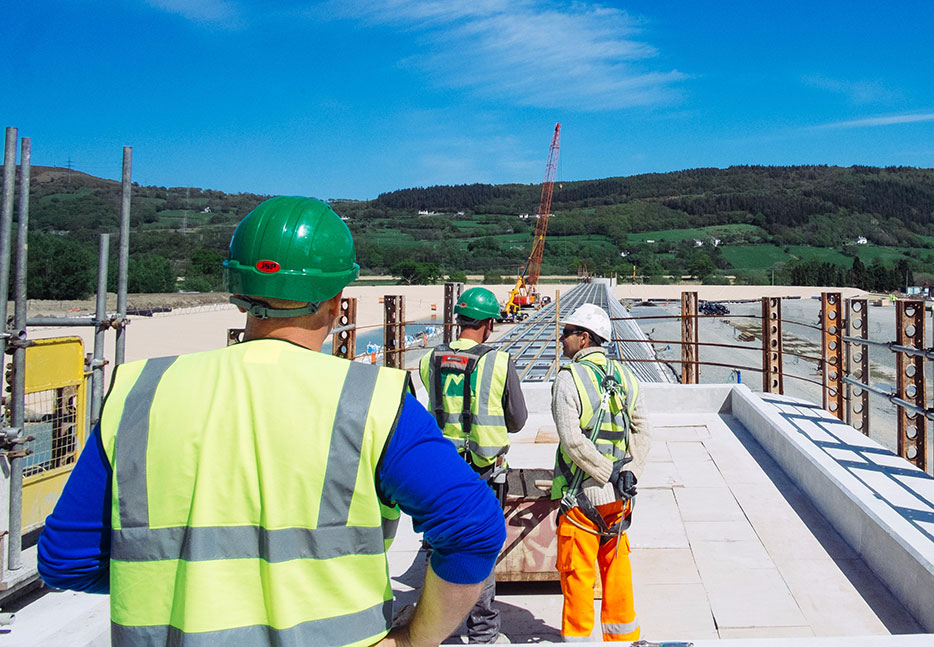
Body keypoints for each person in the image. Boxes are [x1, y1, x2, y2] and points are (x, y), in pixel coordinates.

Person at [37, 196, 506, 647]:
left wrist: (191, 583)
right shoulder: (371, 401)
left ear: (237, 292)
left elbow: (65, 561)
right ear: (336, 296)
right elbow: (474, 529)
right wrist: (413, 639)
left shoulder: (139, 393)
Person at [417, 287, 528, 644]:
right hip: (483, 471)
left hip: (439, 471)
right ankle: (483, 633)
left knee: (438, 545)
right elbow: (517, 419)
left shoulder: (429, 359)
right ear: (489, 323)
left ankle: (436, 625)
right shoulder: (499, 361)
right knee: (480, 549)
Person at [550, 303, 652, 642]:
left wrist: (607, 473)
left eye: (566, 333)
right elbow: (642, 430)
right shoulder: (625, 376)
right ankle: (622, 639)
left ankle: (578, 640)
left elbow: (573, 441)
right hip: (619, 499)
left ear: (583, 339)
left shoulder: (568, 379)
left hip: (583, 498)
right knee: (617, 570)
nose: (561, 339)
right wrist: (630, 473)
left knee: (577, 574)